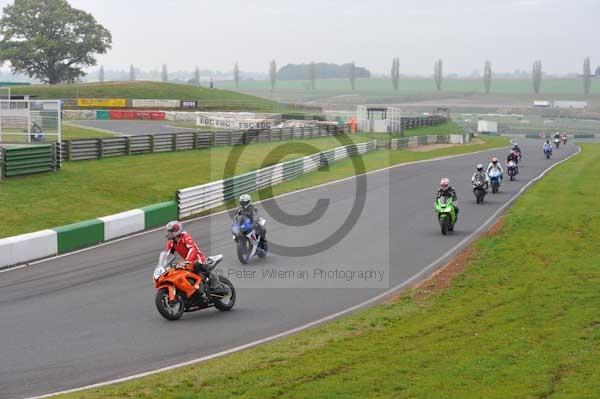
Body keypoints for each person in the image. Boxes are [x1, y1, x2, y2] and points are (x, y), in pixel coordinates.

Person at [165, 221, 217, 293]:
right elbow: (167, 256)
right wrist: (164, 266)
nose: (168, 234)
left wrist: (187, 260)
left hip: (198, 258)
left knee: (196, 265)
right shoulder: (170, 243)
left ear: (176, 231)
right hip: (187, 262)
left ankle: (211, 276)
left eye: (170, 231)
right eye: (168, 232)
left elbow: (193, 249)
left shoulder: (185, 237)